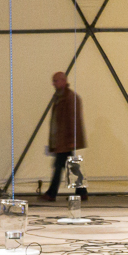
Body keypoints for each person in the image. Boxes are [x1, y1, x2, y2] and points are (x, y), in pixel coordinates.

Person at [40, 71, 87, 202]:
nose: (53, 83)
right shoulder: (60, 97)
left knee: (60, 166)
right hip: (62, 140)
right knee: (70, 165)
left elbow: (74, 120)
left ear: (63, 81)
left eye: (56, 81)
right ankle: (81, 192)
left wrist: (72, 140)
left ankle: (52, 193)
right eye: (53, 81)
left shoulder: (70, 97)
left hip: (65, 140)